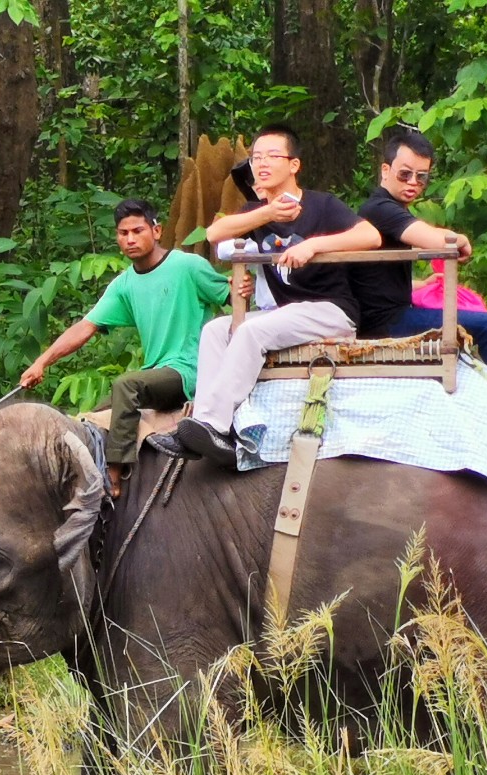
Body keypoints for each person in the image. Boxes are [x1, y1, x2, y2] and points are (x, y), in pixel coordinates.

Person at [151, 124, 378, 467]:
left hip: (330, 310)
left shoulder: (322, 205)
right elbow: (215, 233)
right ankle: (205, 421)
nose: (262, 163)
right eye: (257, 157)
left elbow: (371, 236)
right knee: (216, 330)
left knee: (250, 331)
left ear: (294, 165)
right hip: (286, 313)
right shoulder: (256, 212)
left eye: (273, 156)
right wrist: (269, 212)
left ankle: (213, 425)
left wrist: (315, 245)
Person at [20, 199, 230, 498]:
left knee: (126, 385)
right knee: (97, 413)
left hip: (189, 371)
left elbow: (234, 298)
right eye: (122, 233)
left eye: (137, 230)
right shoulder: (124, 284)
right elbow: (85, 327)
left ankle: (113, 474)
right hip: (157, 374)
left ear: (157, 231)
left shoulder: (188, 266)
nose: (130, 239)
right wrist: (42, 362)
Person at [354, 126, 487, 398]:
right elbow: (437, 240)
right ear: (385, 170)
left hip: (391, 311)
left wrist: (420, 284)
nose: (412, 183)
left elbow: (377, 278)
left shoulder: (387, 208)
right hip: (386, 322)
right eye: (404, 174)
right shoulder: (379, 208)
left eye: (421, 177)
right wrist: (460, 239)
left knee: (481, 322)